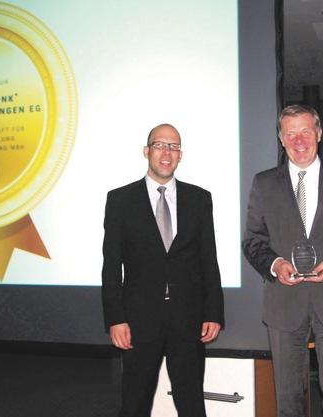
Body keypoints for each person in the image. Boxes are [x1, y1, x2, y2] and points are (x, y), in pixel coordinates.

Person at [242, 104, 323, 417]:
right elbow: (253, 240)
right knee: (288, 399)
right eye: (291, 134)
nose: (299, 141)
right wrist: (275, 265)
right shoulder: (264, 183)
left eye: (305, 132)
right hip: (284, 303)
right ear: (281, 138)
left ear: (319, 133)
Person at [101, 123, 224, 417]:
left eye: (174, 146)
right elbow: (111, 265)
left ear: (180, 155)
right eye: (159, 145)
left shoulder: (199, 199)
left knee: (191, 403)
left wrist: (213, 313)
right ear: (146, 151)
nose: (167, 152)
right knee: (134, 403)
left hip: (188, 319)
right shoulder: (120, 200)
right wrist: (115, 319)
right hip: (139, 321)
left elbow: (209, 260)